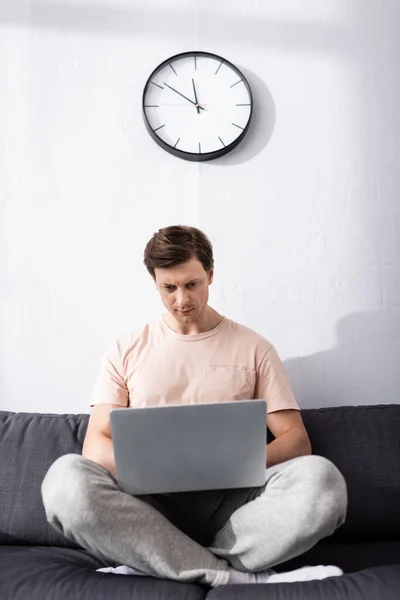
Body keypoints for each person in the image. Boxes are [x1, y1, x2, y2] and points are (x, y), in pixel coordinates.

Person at [41, 225, 348, 587]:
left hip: (236, 511)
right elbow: (95, 445)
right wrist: (158, 463)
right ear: (154, 282)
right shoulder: (125, 348)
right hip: (147, 507)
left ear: (211, 275)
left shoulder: (254, 347)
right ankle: (234, 576)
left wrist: (227, 462)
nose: (181, 300)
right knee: (64, 482)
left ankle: (161, 561)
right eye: (168, 288)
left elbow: (296, 441)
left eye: (192, 284)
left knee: (323, 483)